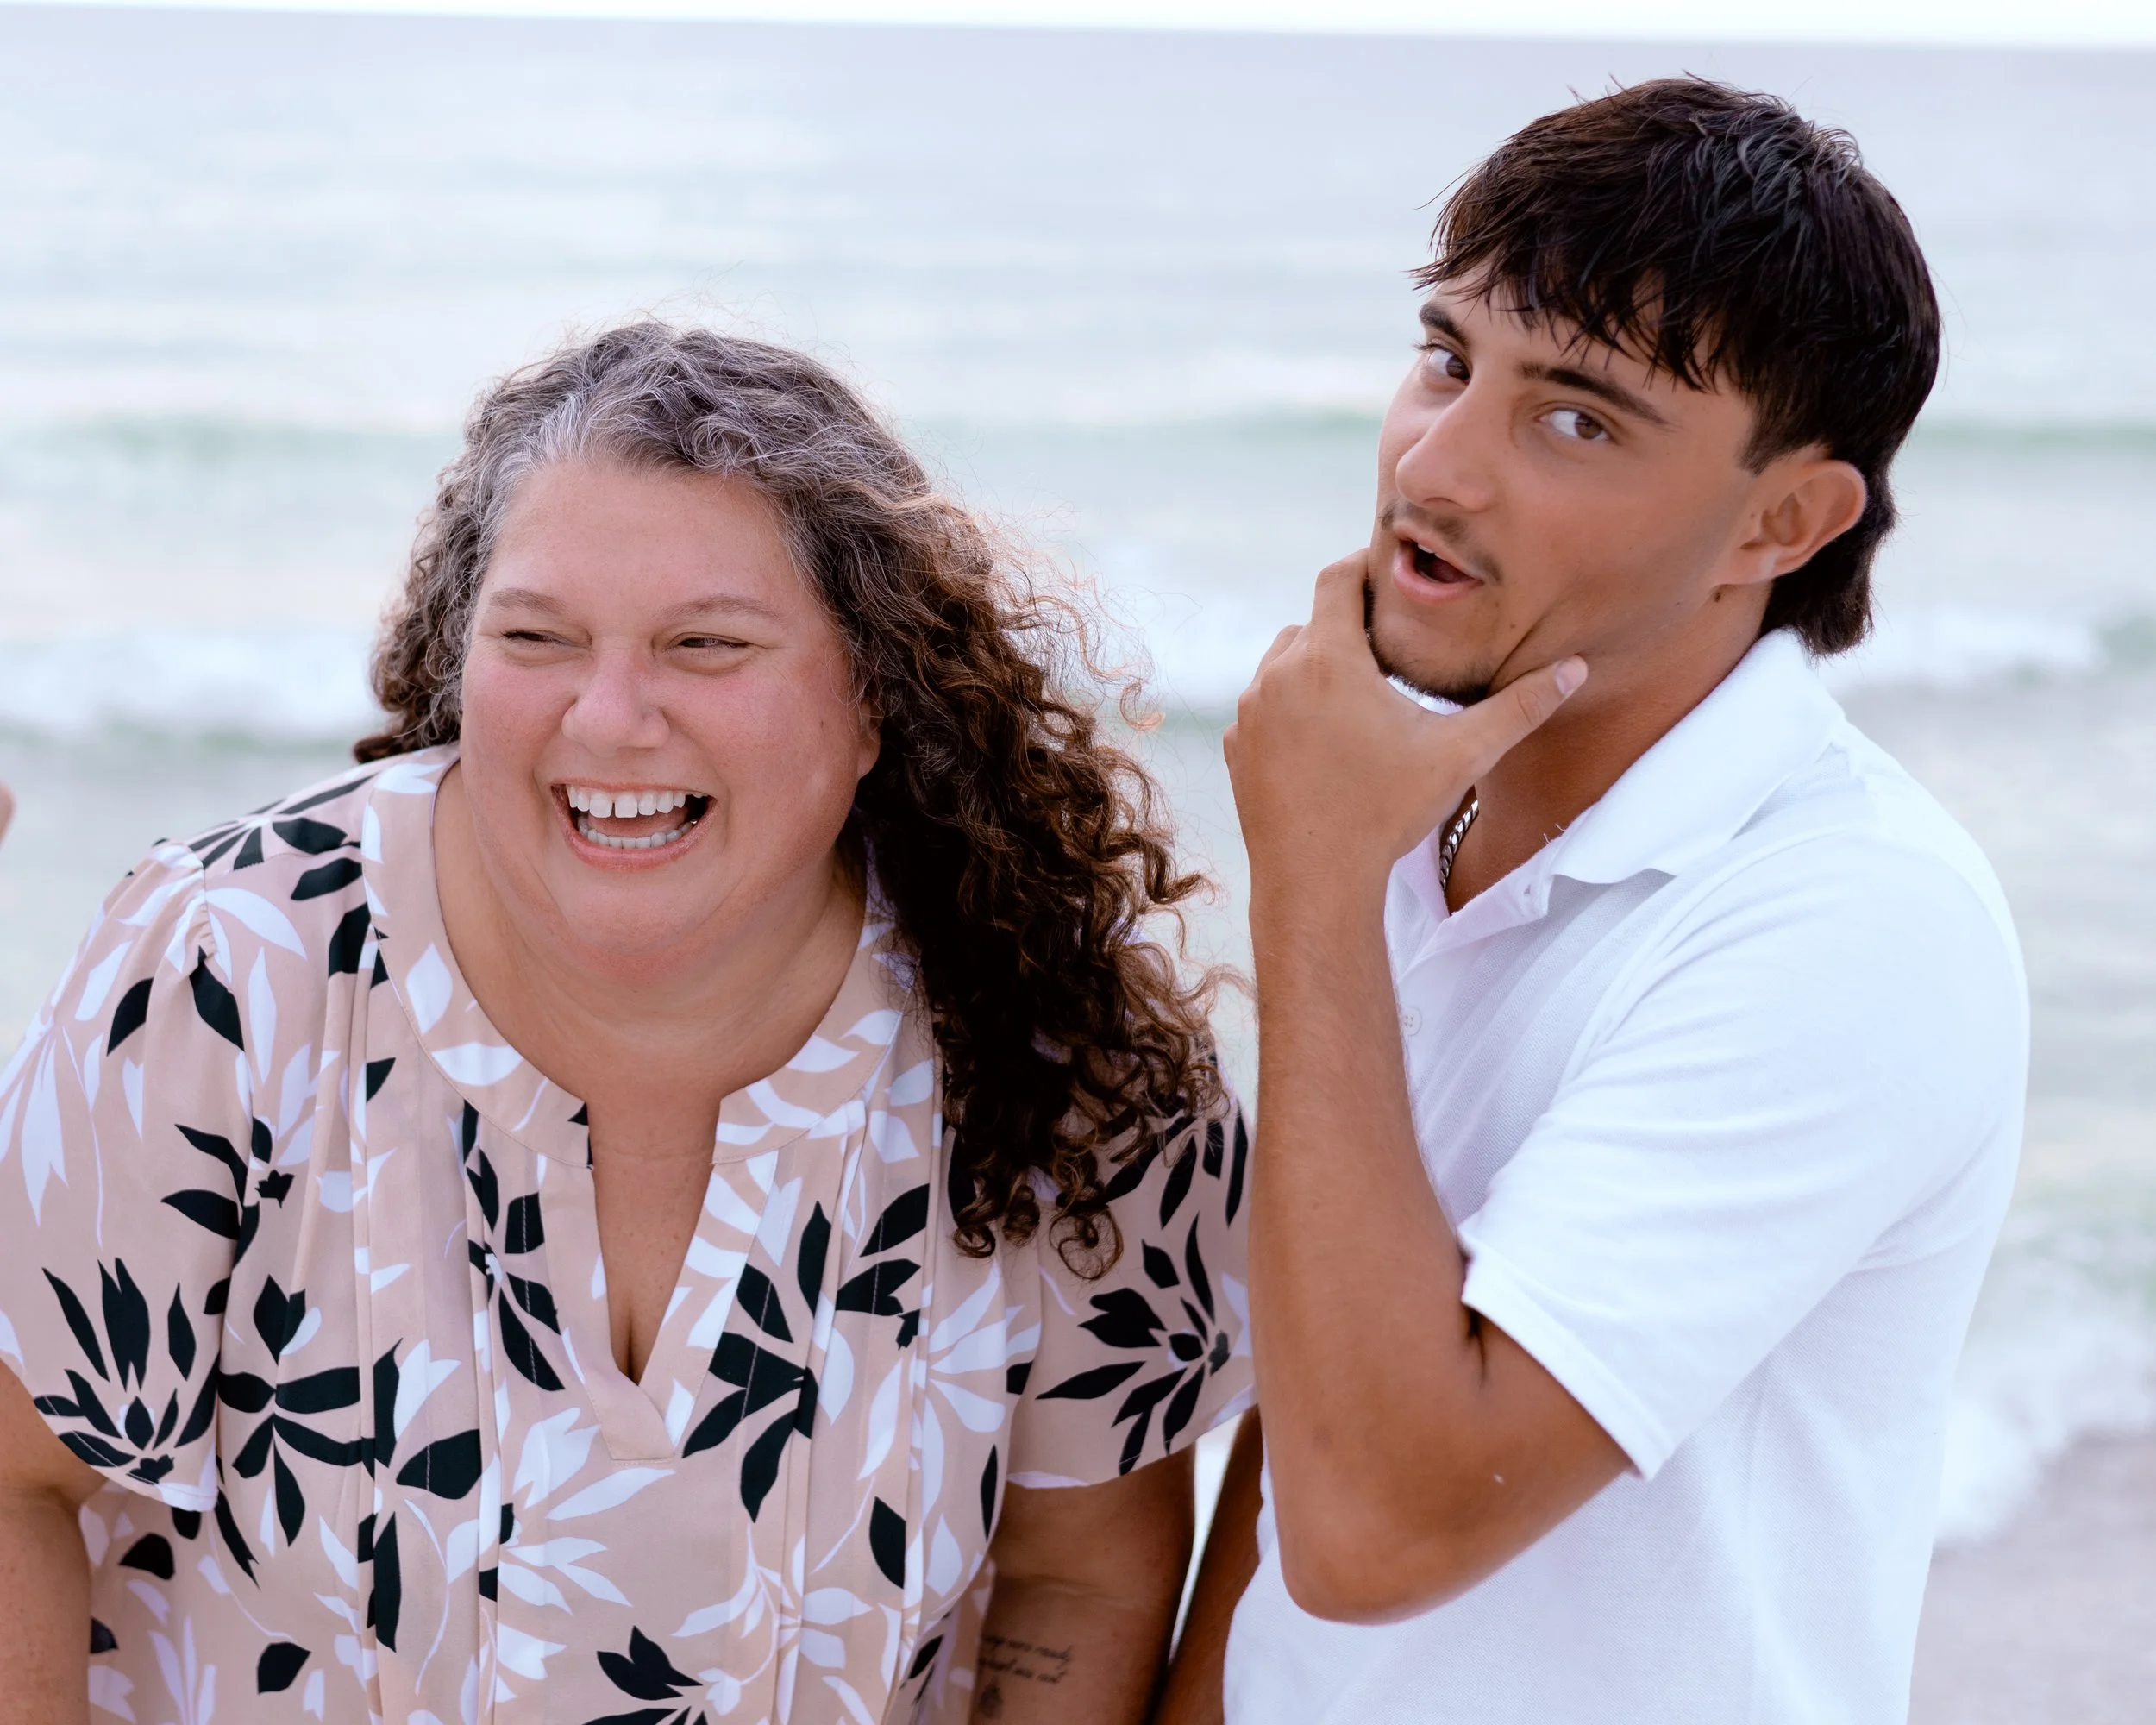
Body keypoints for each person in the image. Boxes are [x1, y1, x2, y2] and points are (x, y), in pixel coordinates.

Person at [0, 325, 1250, 1724]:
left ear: (880, 697)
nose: (607, 717)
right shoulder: (228, 970)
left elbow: (1078, 1579)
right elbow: (14, 1489)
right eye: (535, 638)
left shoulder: (1056, 1038)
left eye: (704, 646)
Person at [1162, 78, 2028, 1725]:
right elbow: (1305, 1422)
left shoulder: (1853, 921)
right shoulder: (1427, 815)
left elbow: (1376, 1528)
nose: (1438, 463)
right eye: (1446, 357)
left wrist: (1315, 896)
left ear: (1781, 522)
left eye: (1576, 418)